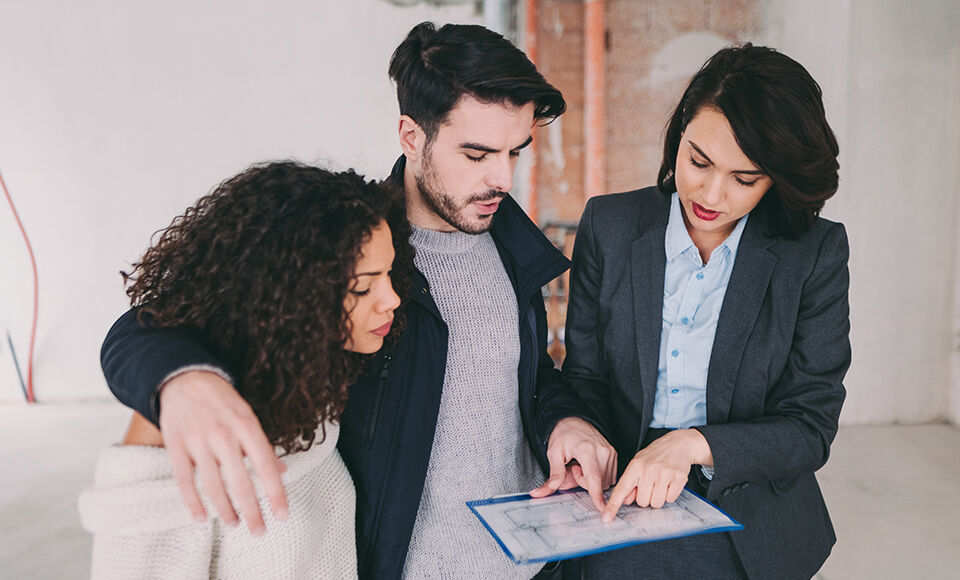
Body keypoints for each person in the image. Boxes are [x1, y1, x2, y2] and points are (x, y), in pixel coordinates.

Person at [98, 23, 614, 579]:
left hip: (529, 564)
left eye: (515, 152)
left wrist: (565, 420)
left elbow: (526, 377)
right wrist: (183, 381)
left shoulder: (513, 246)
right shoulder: (354, 245)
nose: (503, 178)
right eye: (476, 154)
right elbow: (155, 325)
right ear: (411, 136)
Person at [537, 44, 850, 579]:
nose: (711, 193)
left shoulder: (812, 253)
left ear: (776, 178)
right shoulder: (610, 226)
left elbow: (809, 426)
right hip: (621, 489)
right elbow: (586, 377)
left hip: (747, 503)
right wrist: (580, 434)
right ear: (679, 133)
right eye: (698, 161)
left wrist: (691, 445)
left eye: (744, 179)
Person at [79, 162, 409, 578]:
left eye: (389, 274)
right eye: (363, 286)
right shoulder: (189, 421)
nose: (392, 299)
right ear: (289, 293)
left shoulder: (310, 386)